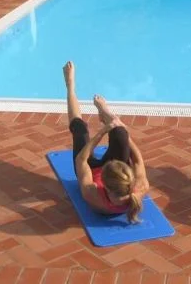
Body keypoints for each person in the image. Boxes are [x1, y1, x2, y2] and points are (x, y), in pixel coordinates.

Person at [63, 61, 149, 223]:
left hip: (88, 167)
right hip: (115, 180)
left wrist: (102, 132)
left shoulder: (92, 193)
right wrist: (118, 128)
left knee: (80, 130)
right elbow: (137, 158)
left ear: (104, 184)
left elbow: (81, 159)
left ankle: (70, 86)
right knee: (121, 133)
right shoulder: (141, 187)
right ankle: (107, 114)